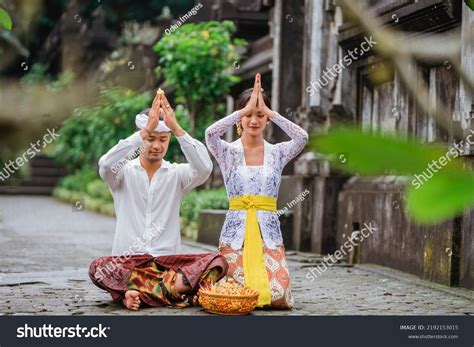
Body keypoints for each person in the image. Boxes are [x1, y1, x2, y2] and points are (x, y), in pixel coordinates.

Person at [89, 90, 228, 310]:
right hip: (129, 263)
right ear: (141, 137)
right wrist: (145, 130)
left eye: (162, 139)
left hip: (167, 263)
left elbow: (204, 169)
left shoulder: (177, 174)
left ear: (169, 140)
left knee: (217, 262)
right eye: (150, 139)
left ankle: (133, 294)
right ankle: (172, 293)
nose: (156, 145)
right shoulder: (121, 173)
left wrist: (177, 128)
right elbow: (105, 165)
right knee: (99, 268)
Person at [205, 73, 309, 309]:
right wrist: (241, 111)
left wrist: (271, 112)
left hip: (268, 234)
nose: (254, 120)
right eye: (248, 115)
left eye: (260, 115)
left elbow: (302, 138)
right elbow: (210, 134)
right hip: (236, 234)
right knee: (234, 297)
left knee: (278, 297)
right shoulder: (227, 152)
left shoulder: (278, 153)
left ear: (267, 119)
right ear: (240, 119)